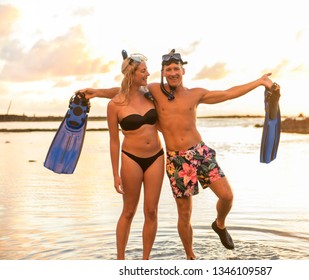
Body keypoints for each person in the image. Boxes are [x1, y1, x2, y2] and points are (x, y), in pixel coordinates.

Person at [79, 49, 278, 260]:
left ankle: (219, 224)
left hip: (200, 153)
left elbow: (228, 93)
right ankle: (190, 257)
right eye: (168, 69)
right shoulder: (153, 91)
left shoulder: (196, 94)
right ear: (163, 72)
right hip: (177, 160)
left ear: (183, 70)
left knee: (227, 196)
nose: (173, 72)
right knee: (184, 214)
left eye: (176, 69)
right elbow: (125, 90)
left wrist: (258, 82)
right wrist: (95, 93)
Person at [104, 52, 164, 260]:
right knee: (128, 211)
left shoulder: (151, 95)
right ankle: (120, 261)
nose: (148, 73)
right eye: (143, 70)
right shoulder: (115, 105)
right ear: (132, 73)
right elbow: (113, 141)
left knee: (151, 211)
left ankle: (145, 262)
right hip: (131, 158)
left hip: (156, 156)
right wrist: (115, 174)